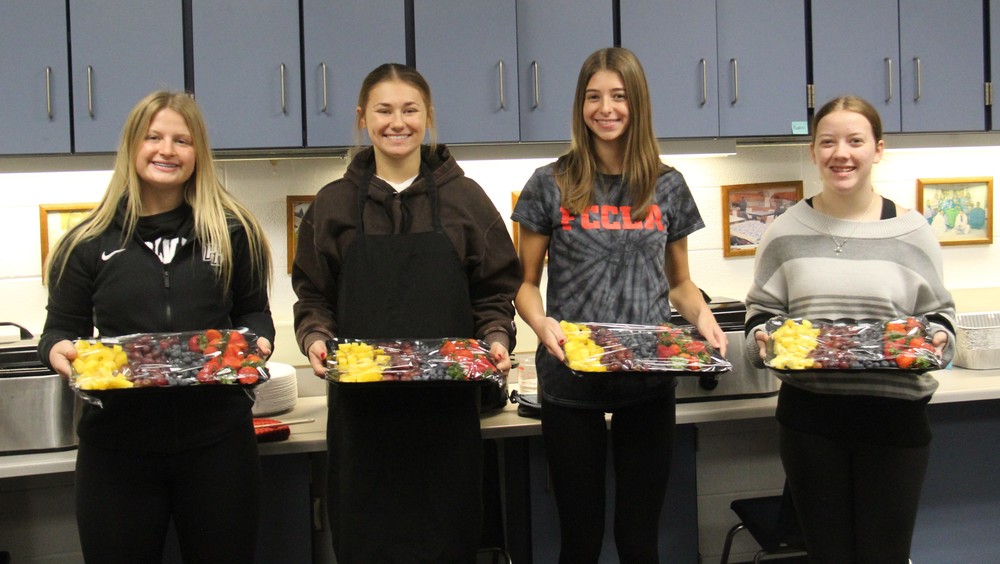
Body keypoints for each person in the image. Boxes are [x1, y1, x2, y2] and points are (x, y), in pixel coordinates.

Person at [291, 63, 520, 563]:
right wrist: (316, 337)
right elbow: (313, 297)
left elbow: (493, 294)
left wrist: (497, 338)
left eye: (410, 110)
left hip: (446, 421)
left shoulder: (466, 200)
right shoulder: (332, 205)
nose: (398, 122)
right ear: (362, 118)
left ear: (428, 116)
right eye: (384, 110)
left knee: (448, 545)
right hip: (362, 426)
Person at [39, 91, 275, 563]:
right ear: (132, 146)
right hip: (116, 451)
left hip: (218, 445)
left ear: (197, 152)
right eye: (153, 137)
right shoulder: (86, 242)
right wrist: (58, 352)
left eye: (181, 140)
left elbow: (254, 314)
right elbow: (59, 330)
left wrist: (260, 342)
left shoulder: (234, 232)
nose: (167, 150)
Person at [511, 47, 727, 563]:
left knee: (639, 540)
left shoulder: (667, 185)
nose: (605, 109)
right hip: (569, 380)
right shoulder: (550, 183)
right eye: (593, 97)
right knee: (580, 541)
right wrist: (540, 323)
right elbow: (524, 283)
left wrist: (703, 317)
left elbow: (680, 284)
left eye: (618, 96)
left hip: (648, 382)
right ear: (580, 105)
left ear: (638, 104)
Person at [744, 95, 956, 563]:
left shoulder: (912, 231)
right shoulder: (784, 231)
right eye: (828, 142)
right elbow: (761, 311)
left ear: (877, 149)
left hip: (895, 422)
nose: (841, 154)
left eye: (855, 141)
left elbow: (939, 314)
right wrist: (761, 339)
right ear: (813, 151)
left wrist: (940, 339)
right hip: (811, 424)